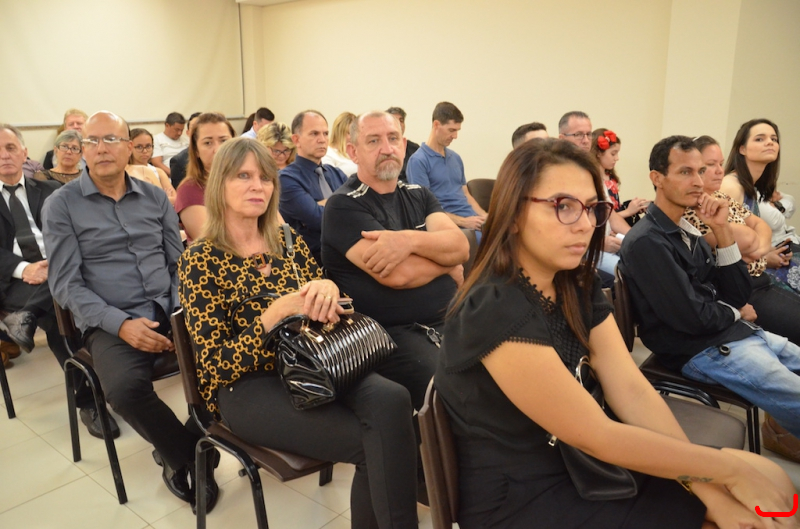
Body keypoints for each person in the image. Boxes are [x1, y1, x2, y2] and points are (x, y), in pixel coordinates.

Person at [436, 137, 799, 529]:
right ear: (513, 214)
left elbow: (632, 390)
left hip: (589, 462)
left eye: (592, 208)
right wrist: (725, 474)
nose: (584, 225)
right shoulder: (494, 307)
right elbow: (594, 434)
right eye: (563, 206)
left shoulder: (576, 283)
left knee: (774, 483)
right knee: (757, 514)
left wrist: (705, 487)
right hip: (529, 492)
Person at [179, 137, 420, 528]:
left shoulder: (287, 242)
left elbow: (328, 299)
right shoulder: (199, 260)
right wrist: (273, 315)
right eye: (243, 176)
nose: (258, 186)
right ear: (219, 184)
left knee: (394, 399)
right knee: (373, 442)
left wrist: (328, 289)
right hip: (250, 385)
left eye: (265, 177)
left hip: (315, 359)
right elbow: (215, 366)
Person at [42, 111, 219, 510]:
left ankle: (182, 443)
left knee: (229, 359)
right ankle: (187, 456)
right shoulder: (61, 205)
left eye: (111, 139)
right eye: (91, 141)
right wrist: (121, 325)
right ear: (82, 149)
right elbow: (66, 284)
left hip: (168, 307)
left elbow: (178, 264)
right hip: (109, 319)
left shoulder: (154, 197)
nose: (101, 149)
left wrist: (179, 313)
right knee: (123, 391)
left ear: (129, 148)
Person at [619, 135, 800, 444]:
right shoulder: (648, 241)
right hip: (703, 349)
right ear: (657, 178)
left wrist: (722, 229)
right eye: (685, 172)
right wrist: (736, 313)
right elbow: (695, 317)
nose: (698, 181)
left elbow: (737, 294)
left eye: (700, 171)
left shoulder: (687, 230)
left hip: (734, 335)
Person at [322, 111, 469, 413]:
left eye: (393, 139)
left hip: (449, 320)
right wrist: (446, 265)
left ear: (403, 145)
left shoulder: (420, 195)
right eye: (373, 141)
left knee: (508, 366)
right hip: (390, 335)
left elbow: (460, 246)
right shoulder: (343, 205)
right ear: (353, 152)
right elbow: (399, 275)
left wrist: (407, 241)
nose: (386, 148)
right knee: (456, 390)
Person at [0, 123, 116, 438]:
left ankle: (26, 317)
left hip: (61, 268)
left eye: (10, 148)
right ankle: (90, 401)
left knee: (89, 293)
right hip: (14, 281)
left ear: (24, 153)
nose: (4, 155)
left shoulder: (51, 190)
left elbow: (80, 230)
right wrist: (23, 268)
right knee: (60, 313)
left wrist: (59, 261)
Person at [720, 119, 800, 293]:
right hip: (742, 279)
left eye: (774, 139)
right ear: (742, 149)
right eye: (759, 139)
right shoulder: (731, 186)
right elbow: (722, 244)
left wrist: (769, 252)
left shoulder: (752, 185)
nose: (770, 142)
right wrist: (765, 259)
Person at [558, 111, 631, 280]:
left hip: (605, 244)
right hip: (585, 248)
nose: (585, 140)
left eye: (588, 134)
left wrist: (636, 238)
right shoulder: (557, 174)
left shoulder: (593, 171)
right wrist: (598, 243)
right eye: (578, 135)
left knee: (647, 262)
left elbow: (610, 214)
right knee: (629, 275)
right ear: (562, 139)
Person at [279, 110, 347, 265]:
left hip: (346, 254)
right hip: (312, 262)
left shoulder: (336, 173)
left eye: (325, 133)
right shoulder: (286, 178)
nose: (322, 140)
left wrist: (322, 204)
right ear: (296, 140)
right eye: (314, 134)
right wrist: (341, 203)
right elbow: (318, 220)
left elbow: (359, 209)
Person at [407, 102, 487, 231]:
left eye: (457, 131)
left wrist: (485, 216)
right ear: (436, 125)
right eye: (451, 130)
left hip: (472, 222)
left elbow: (466, 194)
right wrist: (464, 222)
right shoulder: (418, 161)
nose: (455, 136)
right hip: (450, 226)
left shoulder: (455, 157)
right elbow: (424, 207)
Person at [175, 112, 235, 243]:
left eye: (224, 141)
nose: (218, 149)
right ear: (196, 150)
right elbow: (213, 242)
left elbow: (277, 229)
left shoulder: (251, 182)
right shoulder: (189, 190)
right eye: (208, 143)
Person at [589, 128, 648, 225]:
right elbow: (601, 218)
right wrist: (628, 212)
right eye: (613, 154)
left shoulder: (610, 177)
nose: (617, 158)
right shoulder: (592, 180)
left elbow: (615, 210)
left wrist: (634, 207)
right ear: (598, 153)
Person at [125, 128, 177, 204]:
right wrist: (164, 198)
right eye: (139, 147)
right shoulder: (126, 171)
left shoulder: (158, 172)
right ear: (130, 147)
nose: (145, 151)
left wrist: (160, 199)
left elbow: (176, 200)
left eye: (148, 146)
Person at [386, 107, 419, 182]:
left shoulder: (414, 149)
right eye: (394, 120)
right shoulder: (382, 149)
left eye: (401, 120)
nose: (399, 124)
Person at [169, 112, 202, 188]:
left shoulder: (221, 156)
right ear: (188, 132)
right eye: (195, 128)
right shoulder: (178, 161)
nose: (199, 131)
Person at [151, 112, 189, 177]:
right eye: (177, 130)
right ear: (167, 125)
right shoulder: (157, 140)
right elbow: (157, 163)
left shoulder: (187, 140)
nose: (179, 133)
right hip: (169, 176)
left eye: (181, 130)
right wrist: (175, 175)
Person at [321, 112, 358, 176]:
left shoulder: (357, 153)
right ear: (340, 133)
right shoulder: (328, 153)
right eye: (350, 133)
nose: (355, 137)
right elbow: (330, 178)